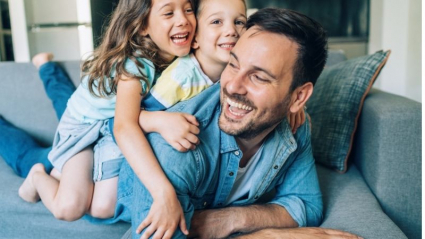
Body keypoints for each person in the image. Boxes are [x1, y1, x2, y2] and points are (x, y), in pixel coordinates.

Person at [109, 7, 329, 239]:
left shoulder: (294, 123)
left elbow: (307, 205)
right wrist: (265, 235)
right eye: (232, 65)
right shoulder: (178, 145)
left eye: (258, 77)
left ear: (298, 97)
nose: (232, 86)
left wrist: (230, 219)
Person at [17, 0, 199, 237]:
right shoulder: (137, 66)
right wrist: (159, 121)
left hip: (105, 123)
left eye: (188, 9)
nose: (183, 19)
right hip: (83, 127)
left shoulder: (178, 55)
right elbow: (126, 124)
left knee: (100, 206)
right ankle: (37, 176)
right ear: (143, 25)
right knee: (69, 207)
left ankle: (46, 66)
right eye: (168, 13)